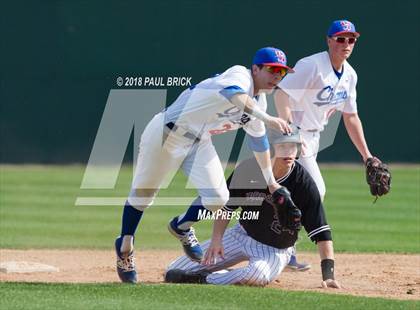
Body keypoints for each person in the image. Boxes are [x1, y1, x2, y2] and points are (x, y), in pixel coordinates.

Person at [115, 47, 294, 283]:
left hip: (199, 141)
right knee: (144, 195)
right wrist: (268, 118)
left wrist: (270, 182)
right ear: (256, 68)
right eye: (271, 70)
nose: (276, 77)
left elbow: (259, 142)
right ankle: (125, 247)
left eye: (281, 73)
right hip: (166, 134)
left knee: (219, 197)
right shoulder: (240, 75)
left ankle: (181, 227)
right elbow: (235, 96)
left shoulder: (259, 103)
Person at [165, 125, 341, 288]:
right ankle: (224, 275)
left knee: (257, 276)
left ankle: (203, 278)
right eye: (283, 146)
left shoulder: (303, 183)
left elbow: (321, 231)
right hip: (240, 235)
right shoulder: (248, 170)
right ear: (269, 148)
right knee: (172, 271)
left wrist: (328, 274)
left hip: (274, 250)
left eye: (293, 146)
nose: (289, 152)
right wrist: (217, 240)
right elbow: (226, 208)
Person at [275, 19, 383, 201]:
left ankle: (248, 228)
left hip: (313, 137)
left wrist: (367, 156)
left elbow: (351, 117)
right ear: (329, 41)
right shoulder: (312, 65)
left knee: (286, 191)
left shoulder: (350, 75)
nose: (346, 44)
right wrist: (289, 131)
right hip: (294, 135)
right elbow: (281, 93)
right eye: (341, 39)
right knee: (315, 191)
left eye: (351, 40)